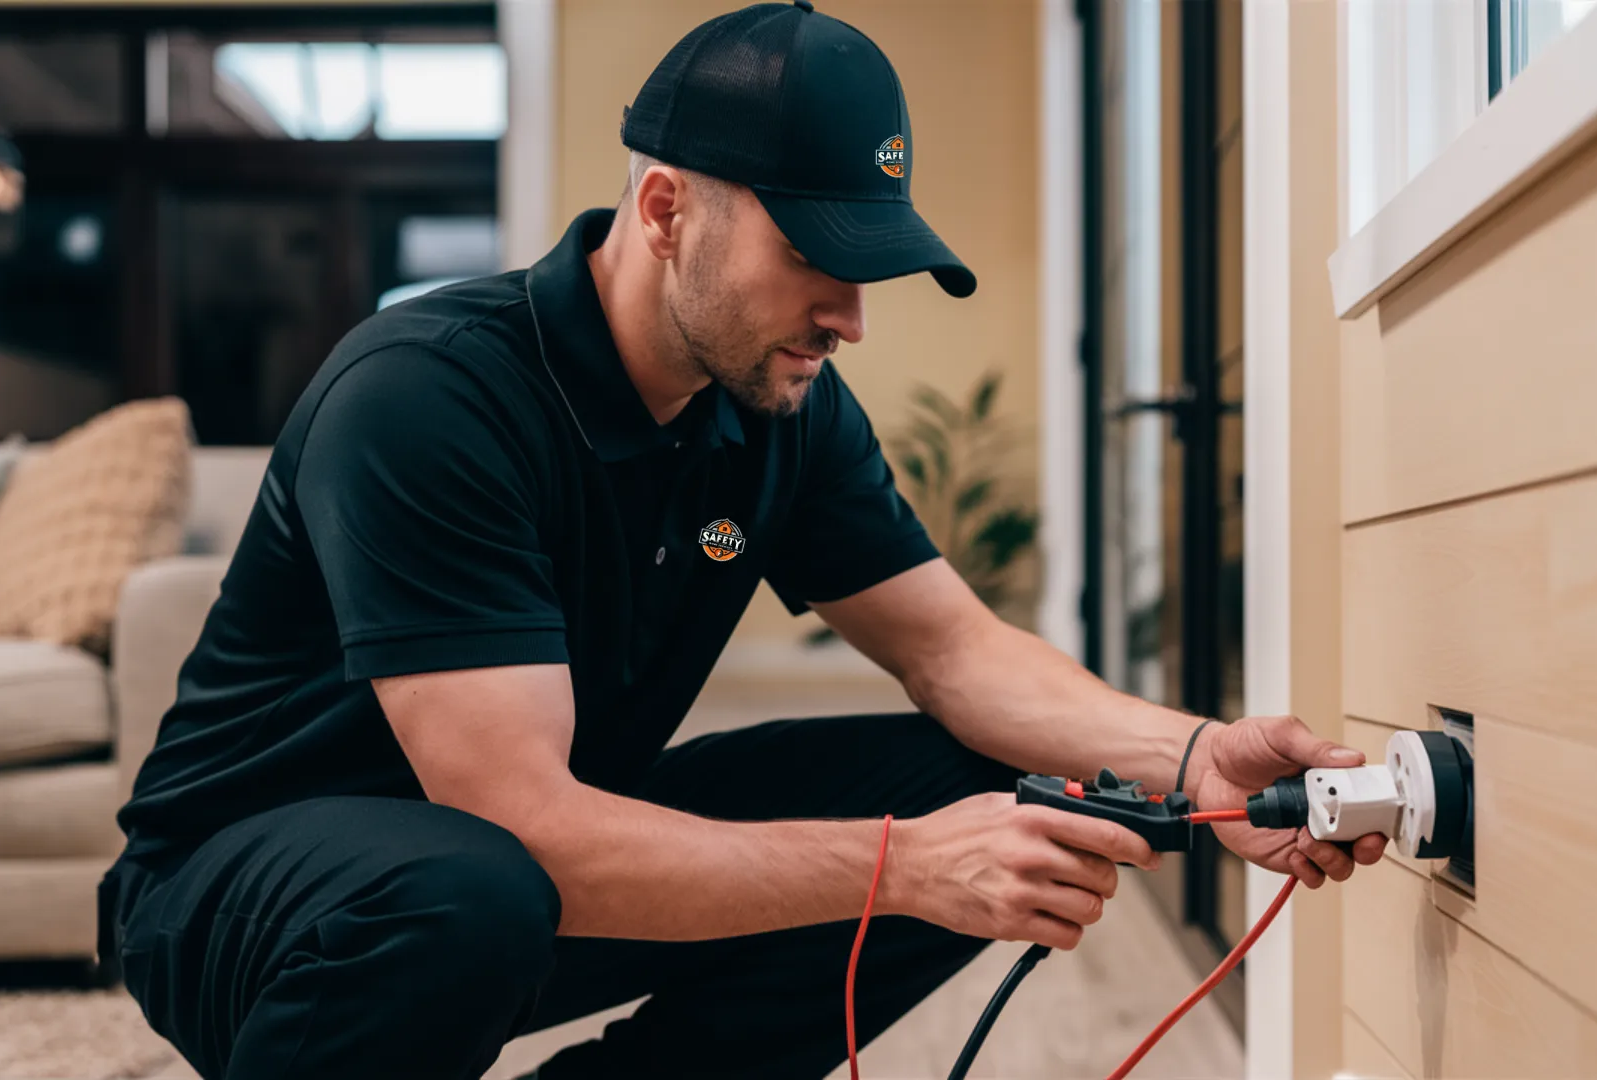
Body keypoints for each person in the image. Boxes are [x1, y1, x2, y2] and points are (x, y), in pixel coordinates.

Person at [100, 3, 1388, 1078]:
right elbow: (523, 828)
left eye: (869, 259)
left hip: (519, 865)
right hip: (259, 900)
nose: (850, 315)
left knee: (969, 789)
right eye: (815, 253)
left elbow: (957, 655)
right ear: (665, 210)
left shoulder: (781, 406)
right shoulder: (428, 395)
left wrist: (1200, 761)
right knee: (474, 885)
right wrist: (904, 870)